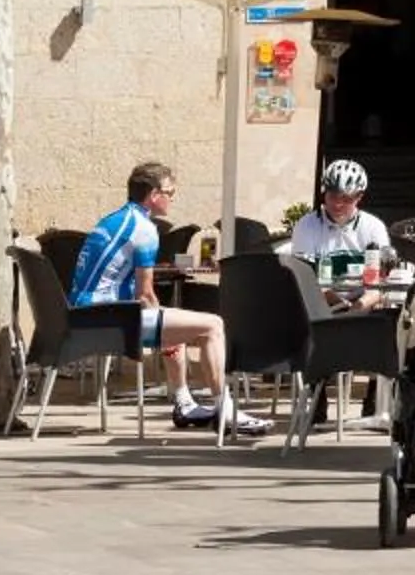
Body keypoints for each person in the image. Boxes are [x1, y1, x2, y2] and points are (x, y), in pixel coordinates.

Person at [70, 161, 267, 437]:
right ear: (154, 194)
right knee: (213, 325)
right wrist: (164, 328)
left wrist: (167, 331)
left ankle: (184, 403)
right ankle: (225, 409)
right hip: (109, 319)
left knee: (172, 322)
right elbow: (145, 294)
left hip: (86, 314)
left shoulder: (113, 219)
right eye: (170, 192)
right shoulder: (144, 228)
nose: (173, 198)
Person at [288, 160, 391, 278]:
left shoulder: (374, 227)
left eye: (346, 199)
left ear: (359, 197)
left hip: (363, 289)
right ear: (324, 193)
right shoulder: (306, 225)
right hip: (317, 290)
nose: (338, 204)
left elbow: (381, 277)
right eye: (332, 196)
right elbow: (304, 278)